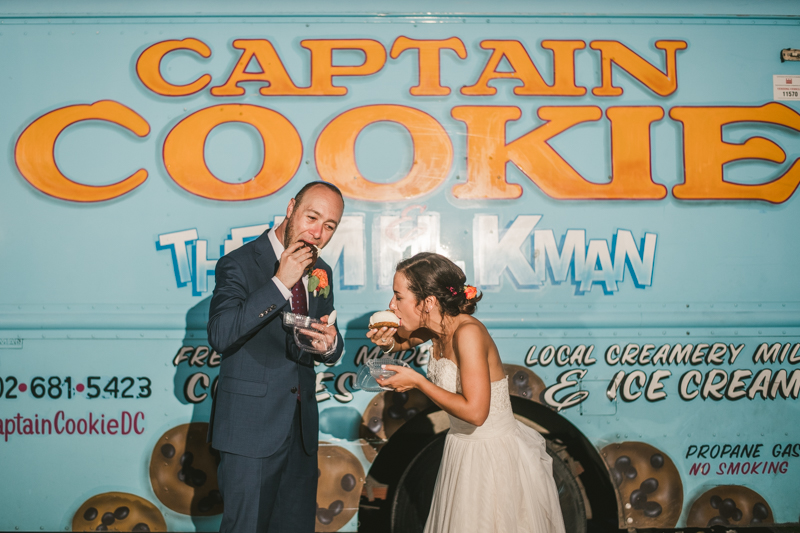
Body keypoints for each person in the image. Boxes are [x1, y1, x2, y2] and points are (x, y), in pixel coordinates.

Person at [367, 252, 567, 533]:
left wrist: (418, 381)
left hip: (493, 457)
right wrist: (387, 341)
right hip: (461, 449)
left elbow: (475, 413)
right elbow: (402, 342)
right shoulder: (436, 328)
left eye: (398, 297)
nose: (392, 305)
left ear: (428, 302)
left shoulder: (468, 333)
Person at [207, 181, 345, 533]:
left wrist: (329, 345)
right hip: (251, 430)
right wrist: (281, 283)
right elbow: (221, 335)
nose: (318, 233)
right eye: (312, 217)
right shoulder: (239, 263)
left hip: (300, 430)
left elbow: (326, 335)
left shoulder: (321, 271)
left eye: (329, 226)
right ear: (290, 208)